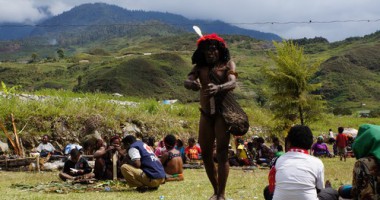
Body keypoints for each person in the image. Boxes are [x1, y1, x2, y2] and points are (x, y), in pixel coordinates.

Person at [184, 33, 238, 200]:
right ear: (202, 52)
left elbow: (233, 82)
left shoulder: (228, 64)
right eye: (207, 50)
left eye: (213, 49)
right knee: (206, 154)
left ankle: (221, 194)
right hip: (206, 115)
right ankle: (215, 191)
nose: (210, 53)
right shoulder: (199, 68)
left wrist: (219, 87)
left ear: (220, 50)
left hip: (222, 115)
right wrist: (192, 84)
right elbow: (188, 80)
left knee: (222, 153)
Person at [270, 125, 338, 200]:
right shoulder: (317, 162)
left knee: (268, 190)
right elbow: (320, 188)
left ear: (289, 142)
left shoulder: (280, 160)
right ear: (310, 142)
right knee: (331, 192)